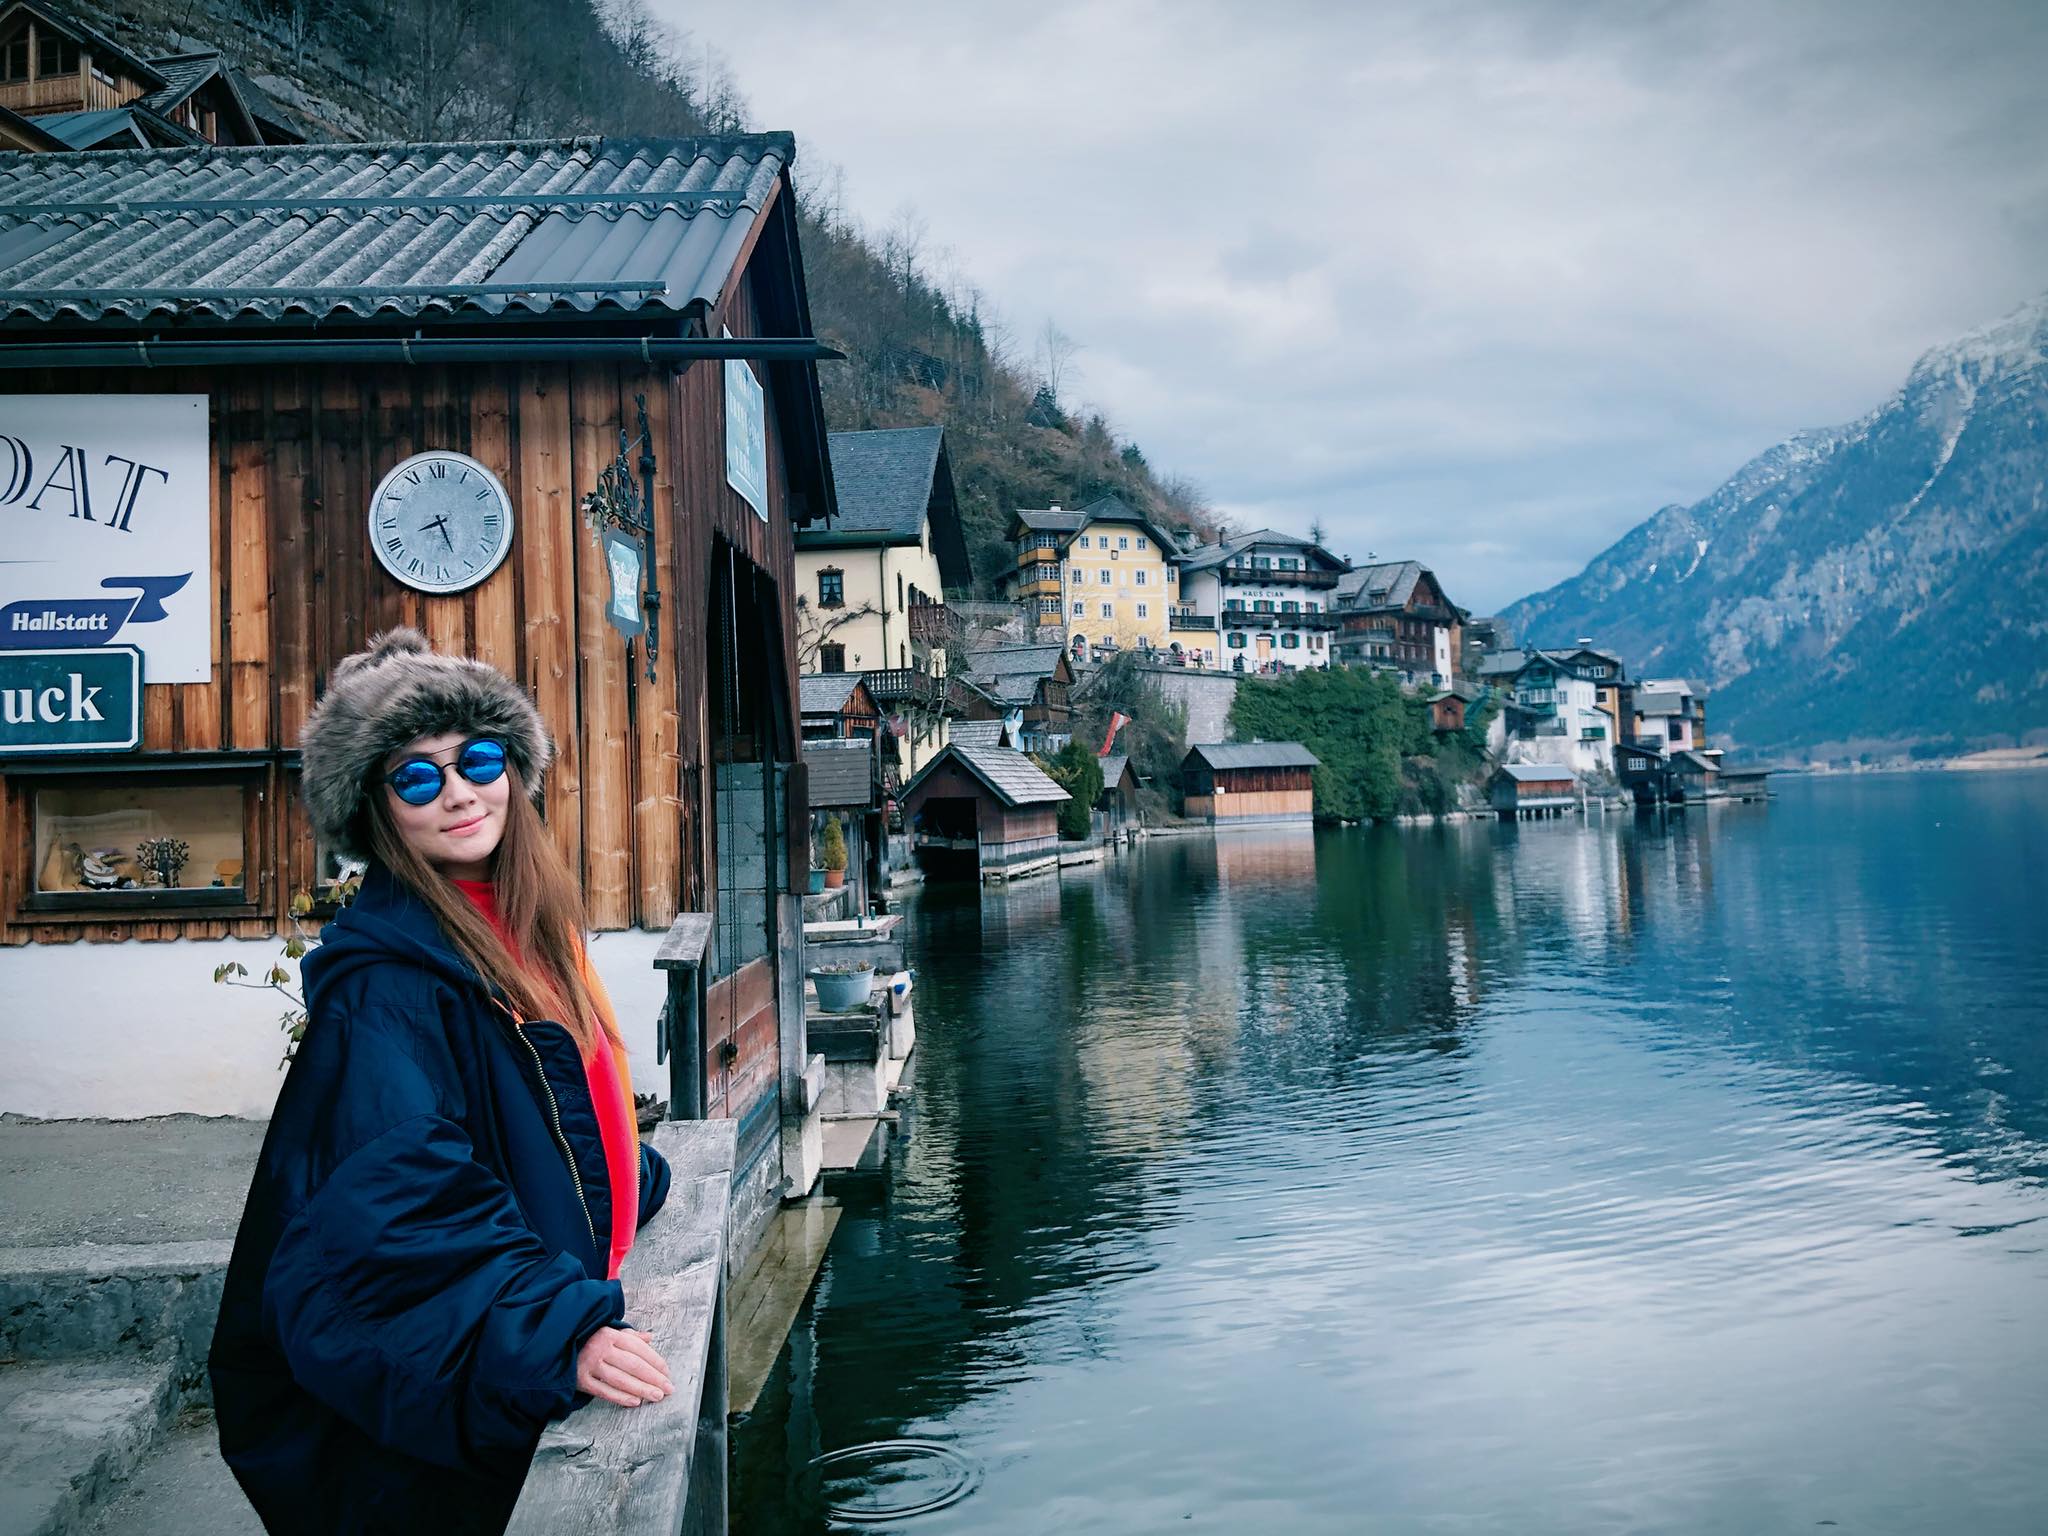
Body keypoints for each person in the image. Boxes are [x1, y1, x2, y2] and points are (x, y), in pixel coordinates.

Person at [212, 629, 674, 1535]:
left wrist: (630, 1185)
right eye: (416, 776)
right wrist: (554, 1329)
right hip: (459, 1392)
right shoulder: (388, 984)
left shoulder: (523, 925)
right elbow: (396, 1196)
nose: (459, 792)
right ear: (378, 811)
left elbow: (545, 1110)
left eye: (479, 758)